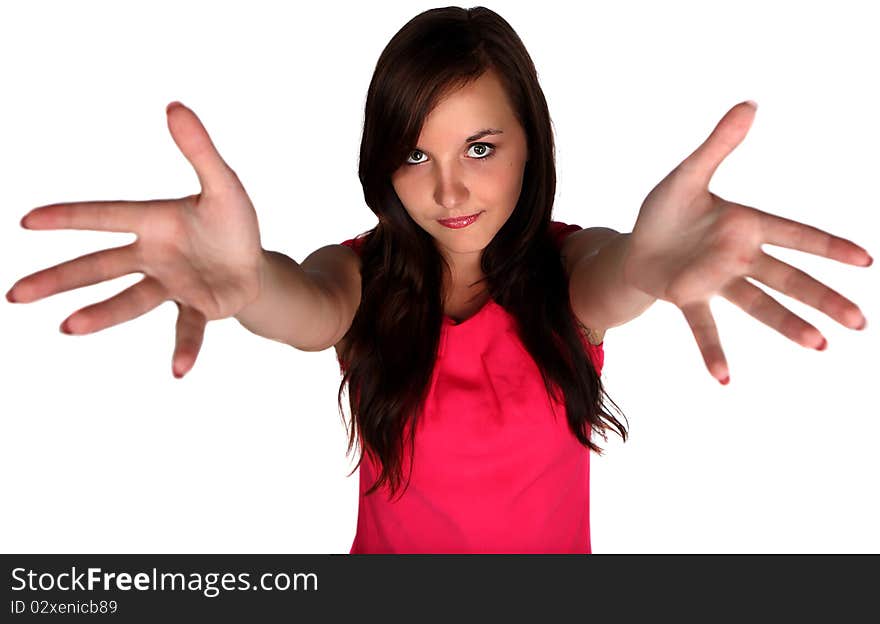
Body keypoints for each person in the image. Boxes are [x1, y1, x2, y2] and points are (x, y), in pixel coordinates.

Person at [5, 7, 872, 553]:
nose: (449, 190)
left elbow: (616, 278)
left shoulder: (571, 267)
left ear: (530, 142)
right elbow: (303, 308)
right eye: (416, 153)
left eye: (481, 149)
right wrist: (245, 284)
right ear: (385, 162)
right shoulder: (356, 275)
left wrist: (648, 265)